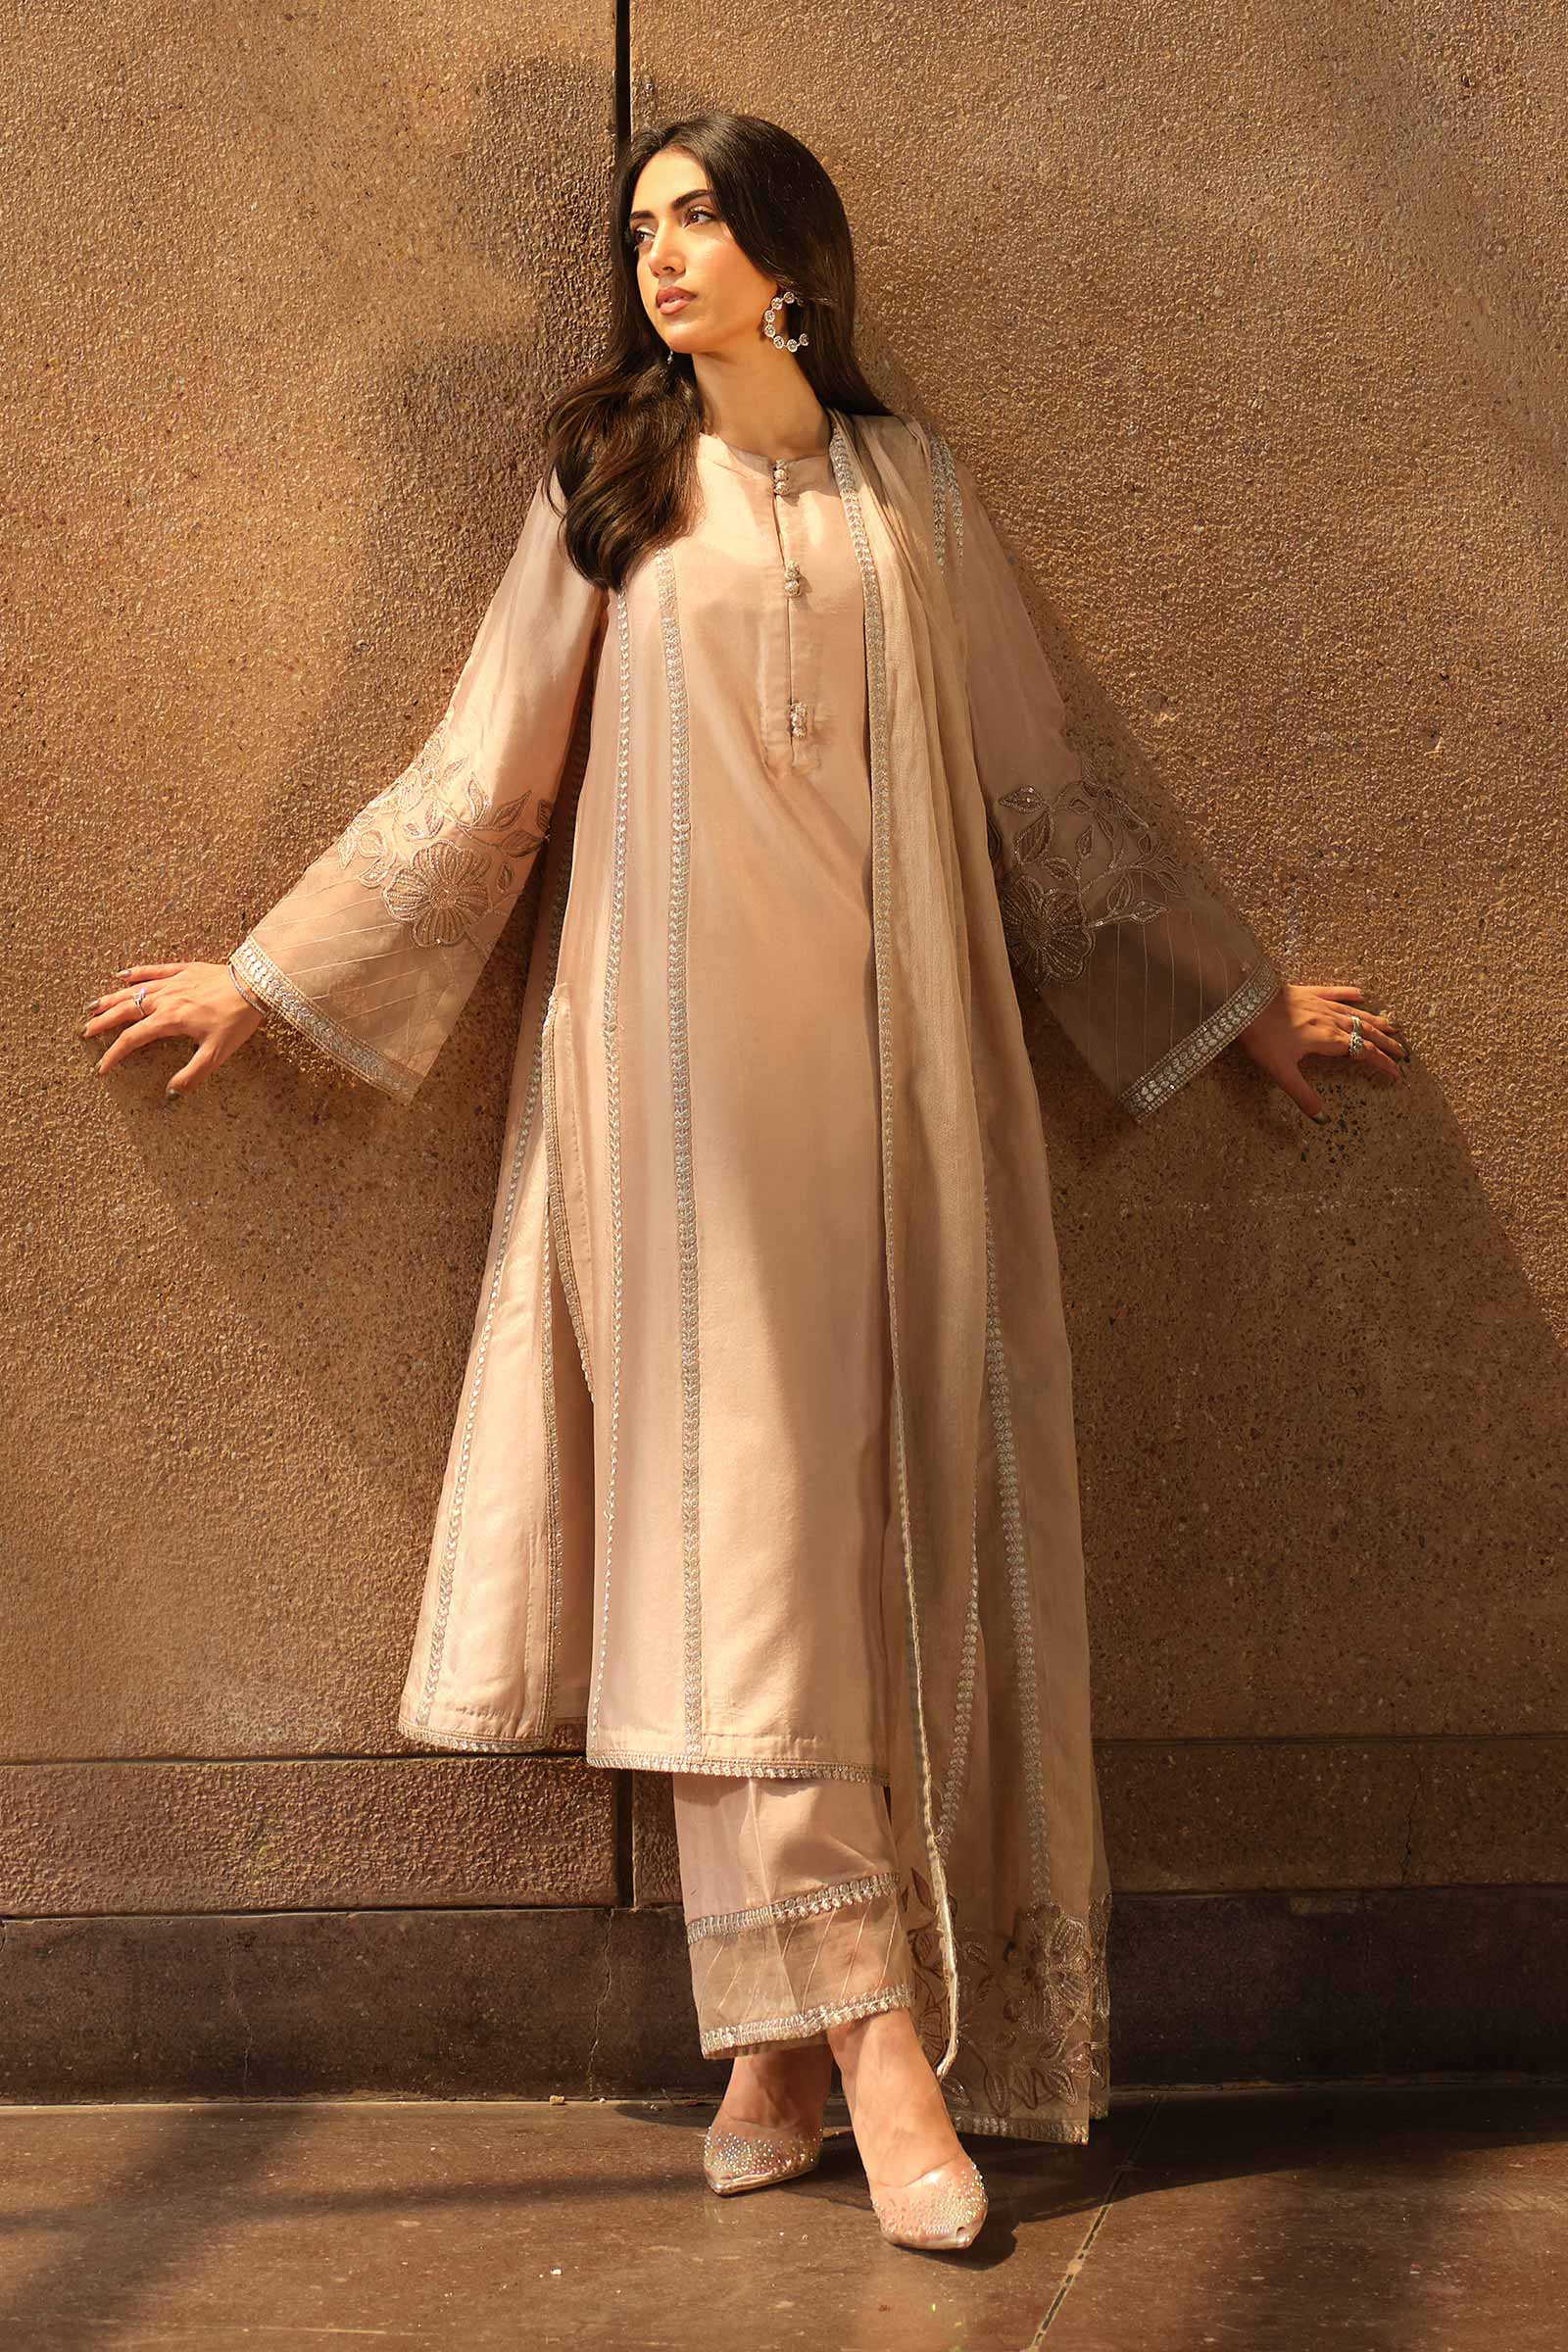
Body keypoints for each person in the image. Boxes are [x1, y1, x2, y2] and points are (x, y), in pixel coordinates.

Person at [84, 113, 1404, 2254]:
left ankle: (772, 2042)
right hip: (676, 1096)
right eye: (640, 229)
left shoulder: (912, 495)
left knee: (876, 1542)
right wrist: (275, 970)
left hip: (900, 1089)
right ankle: (876, 2049)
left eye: (699, 218)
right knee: (743, 1542)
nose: (662, 257)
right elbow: (484, 776)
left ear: (795, 252)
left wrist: (1231, 1003)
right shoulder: (610, 489)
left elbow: (1039, 794)